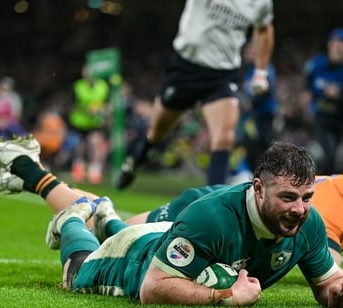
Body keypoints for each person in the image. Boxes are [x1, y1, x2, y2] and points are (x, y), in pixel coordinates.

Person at [0, 135, 343, 292]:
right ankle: (39, 177)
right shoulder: (320, 202)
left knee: (124, 233)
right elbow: (160, 283)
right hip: (204, 207)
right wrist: (226, 297)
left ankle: (94, 210)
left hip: (232, 221)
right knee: (114, 242)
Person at [0, 136, 343, 308]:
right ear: (259, 190)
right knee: (76, 271)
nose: (300, 209)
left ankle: (103, 212)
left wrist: (342, 291)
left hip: (172, 241)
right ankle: (76, 215)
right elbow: (151, 289)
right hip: (138, 261)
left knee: (123, 225)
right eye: (288, 197)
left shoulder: (309, 223)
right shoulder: (214, 217)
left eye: (306, 198)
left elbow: (326, 283)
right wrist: (226, 297)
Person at [115, 0, 275, 190]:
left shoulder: (260, 2)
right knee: (157, 130)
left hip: (222, 74)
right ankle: (137, 158)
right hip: (186, 67)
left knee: (224, 138)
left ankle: (213, 204)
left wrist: (261, 72)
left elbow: (264, 29)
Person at [303, 28, 343, 175]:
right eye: (335, 43)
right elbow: (307, 87)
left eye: (342, 44)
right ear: (329, 45)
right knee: (327, 155)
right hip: (322, 119)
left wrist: (339, 96)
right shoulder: (316, 65)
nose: (337, 47)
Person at [238, 40, 279, 173]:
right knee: (250, 146)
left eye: (251, 51)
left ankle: (268, 175)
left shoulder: (265, 68)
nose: (247, 53)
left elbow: (267, 88)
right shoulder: (249, 71)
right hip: (252, 117)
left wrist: (252, 103)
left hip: (264, 115)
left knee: (264, 146)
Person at [68, 64, 111, 184]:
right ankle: (78, 168)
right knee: (80, 146)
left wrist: (103, 110)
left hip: (96, 122)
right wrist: (85, 109)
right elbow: (71, 105)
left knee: (95, 143)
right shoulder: (78, 86)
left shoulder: (103, 86)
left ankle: (95, 170)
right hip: (80, 122)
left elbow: (108, 104)